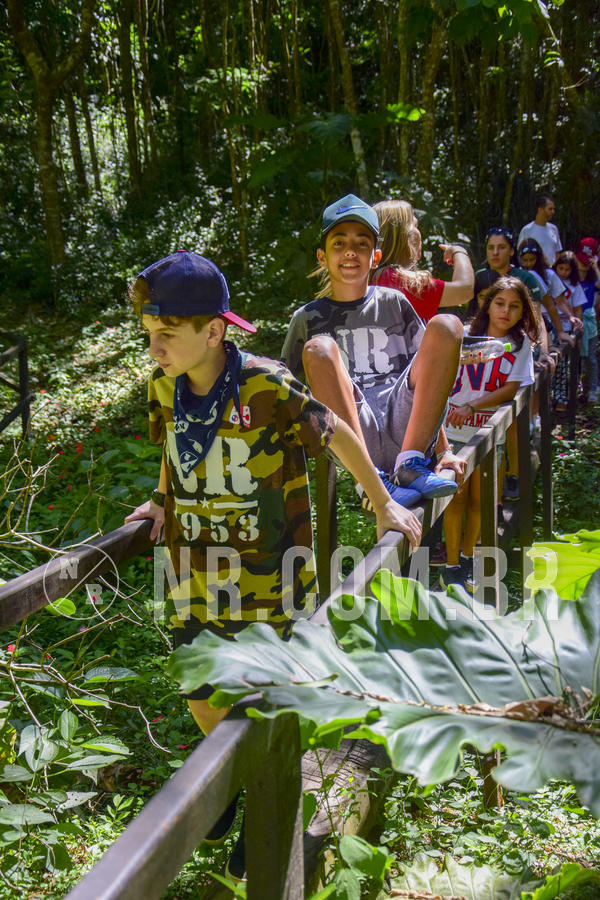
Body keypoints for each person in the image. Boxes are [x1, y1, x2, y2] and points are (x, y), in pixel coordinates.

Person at [123, 251, 421, 878]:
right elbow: (174, 452)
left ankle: (262, 818)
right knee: (202, 694)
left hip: (269, 581)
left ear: (214, 329)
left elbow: (334, 430)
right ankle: (229, 785)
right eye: (150, 334)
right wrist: (158, 499)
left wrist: (383, 500)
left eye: (168, 333)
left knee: (263, 708)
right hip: (194, 574)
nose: (155, 347)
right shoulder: (163, 387)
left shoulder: (265, 383)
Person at [281, 194, 467, 511]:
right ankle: (370, 481)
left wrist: (444, 450)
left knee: (448, 325)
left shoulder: (394, 303)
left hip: (405, 426)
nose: (350, 251)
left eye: (362, 243)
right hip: (352, 434)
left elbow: (425, 381)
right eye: (338, 243)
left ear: (376, 256)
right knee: (320, 348)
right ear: (322, 257)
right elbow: (286, 394)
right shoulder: (307, 319)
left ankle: (411, 464)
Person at [441, 276, 536, 592]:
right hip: (452, 431)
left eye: (514, 306)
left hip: (488, 431)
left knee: (481, 500)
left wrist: (474, 405)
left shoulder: (521, 345)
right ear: (488, 303)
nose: (505, 312)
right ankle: (451, 566)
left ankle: (468, 556)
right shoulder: (465, 335)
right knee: (455, 499)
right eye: (499, 303)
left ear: (523, 311)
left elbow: (512, 388)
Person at [369, 199, 474, 319]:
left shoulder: (374, 277)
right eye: (415, 226)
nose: (419, 233)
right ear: (402, 236)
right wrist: (460, 252)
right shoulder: (394, 279)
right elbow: (465, 289)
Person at [575, 237, 600, 402]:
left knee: (590, 359)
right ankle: (575, 390)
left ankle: (591, 389)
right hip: (575, 322)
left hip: (590, 324)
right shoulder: (570, 277)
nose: (583, 264)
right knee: (576, 359)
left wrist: (595, 267)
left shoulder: (593, 279)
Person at [517, 193, 562, 267]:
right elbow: (520, 254)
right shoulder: (527, 230)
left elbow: (557, 252)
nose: (553, 212)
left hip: (551, 273)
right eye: (550, 209)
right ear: (540, 210)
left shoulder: (554, 229)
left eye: (553, 209)